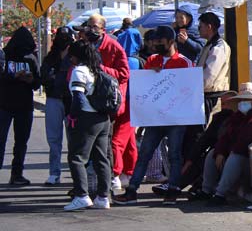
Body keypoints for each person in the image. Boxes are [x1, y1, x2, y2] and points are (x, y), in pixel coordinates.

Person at [113, 26, 194, 206]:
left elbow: (189, 88)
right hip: (155, 117)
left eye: (160, 42)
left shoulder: (184, 62)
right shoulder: (151, 60)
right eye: (154, 42)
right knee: (145, 154)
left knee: (174, 154)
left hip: (175, 118)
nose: (155, 45)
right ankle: (132, 190)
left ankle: (173, 190)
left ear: (171, 42)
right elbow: (146, 89)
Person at [199, 83, 252, 206]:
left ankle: (220, 194)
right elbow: (226, 136)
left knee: (235, 156)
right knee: (212, 153)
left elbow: (246, 141)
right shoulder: (237, 116)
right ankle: (206, 190)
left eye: (247, 100)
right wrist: (221, 151)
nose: (243, 102)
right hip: (235, 152)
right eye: (242, 99)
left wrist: (228, 151)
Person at [84, 14, 133, 192]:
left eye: (95, 26)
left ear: (103, 29)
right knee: (94, 144)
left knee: (108, 144)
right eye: (89, 26)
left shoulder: (113, 46)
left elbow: (123, 74)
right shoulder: (87, 45)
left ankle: (112, 178)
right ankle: (95, 182)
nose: (91, 29)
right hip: (91, 100)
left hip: (109, 102)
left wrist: (100, 68)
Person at [64, 40, 112, 211]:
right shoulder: (97, 70)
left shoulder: (79, 71)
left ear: (76, 55)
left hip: (87, 118)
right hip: (103, 119)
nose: (70, 58)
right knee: (102, 159)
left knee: (77, 158)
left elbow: (78, 97)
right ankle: (103, 197)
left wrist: (72, 116)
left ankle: (82, 195)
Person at [0, 27, 41, 185]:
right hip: (5, 104)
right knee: (2, 141)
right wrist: (13, 76)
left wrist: (30, 80)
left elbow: (37, 82)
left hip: (24, 106)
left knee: (21, 142)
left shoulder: (31, 58)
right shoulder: (5, 55)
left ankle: (17, 174)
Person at [40, 27, 75, 184]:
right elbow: (44, 76)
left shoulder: (75, 57)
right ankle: (54, 173)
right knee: (54, 139)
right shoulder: (50, 57)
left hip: (70, 100)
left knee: (73, 139)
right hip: (53, 99)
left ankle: (76, 174)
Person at [196, 11, 231, 121]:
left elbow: (209, 76)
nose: (199, 29)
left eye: (200, 26)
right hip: (205, 92)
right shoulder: (210, 45)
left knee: (198, 129)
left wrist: (195, 88)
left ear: (209, 27)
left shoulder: (218, 47)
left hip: (210, 93)